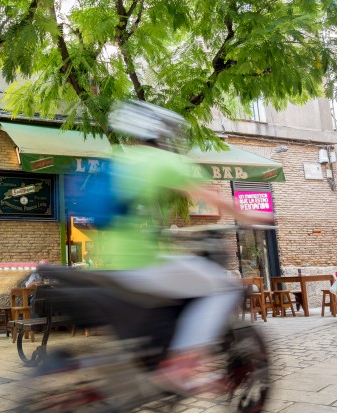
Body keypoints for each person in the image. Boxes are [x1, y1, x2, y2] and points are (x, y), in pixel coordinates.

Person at [101, 100, 274, 395]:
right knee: (223, 287)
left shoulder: (118, 159)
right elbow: (211, 197)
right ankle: (180, 367)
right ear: (160, 132)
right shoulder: (160, 160)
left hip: (111, 264)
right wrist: (251, 214)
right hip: (142, 264)